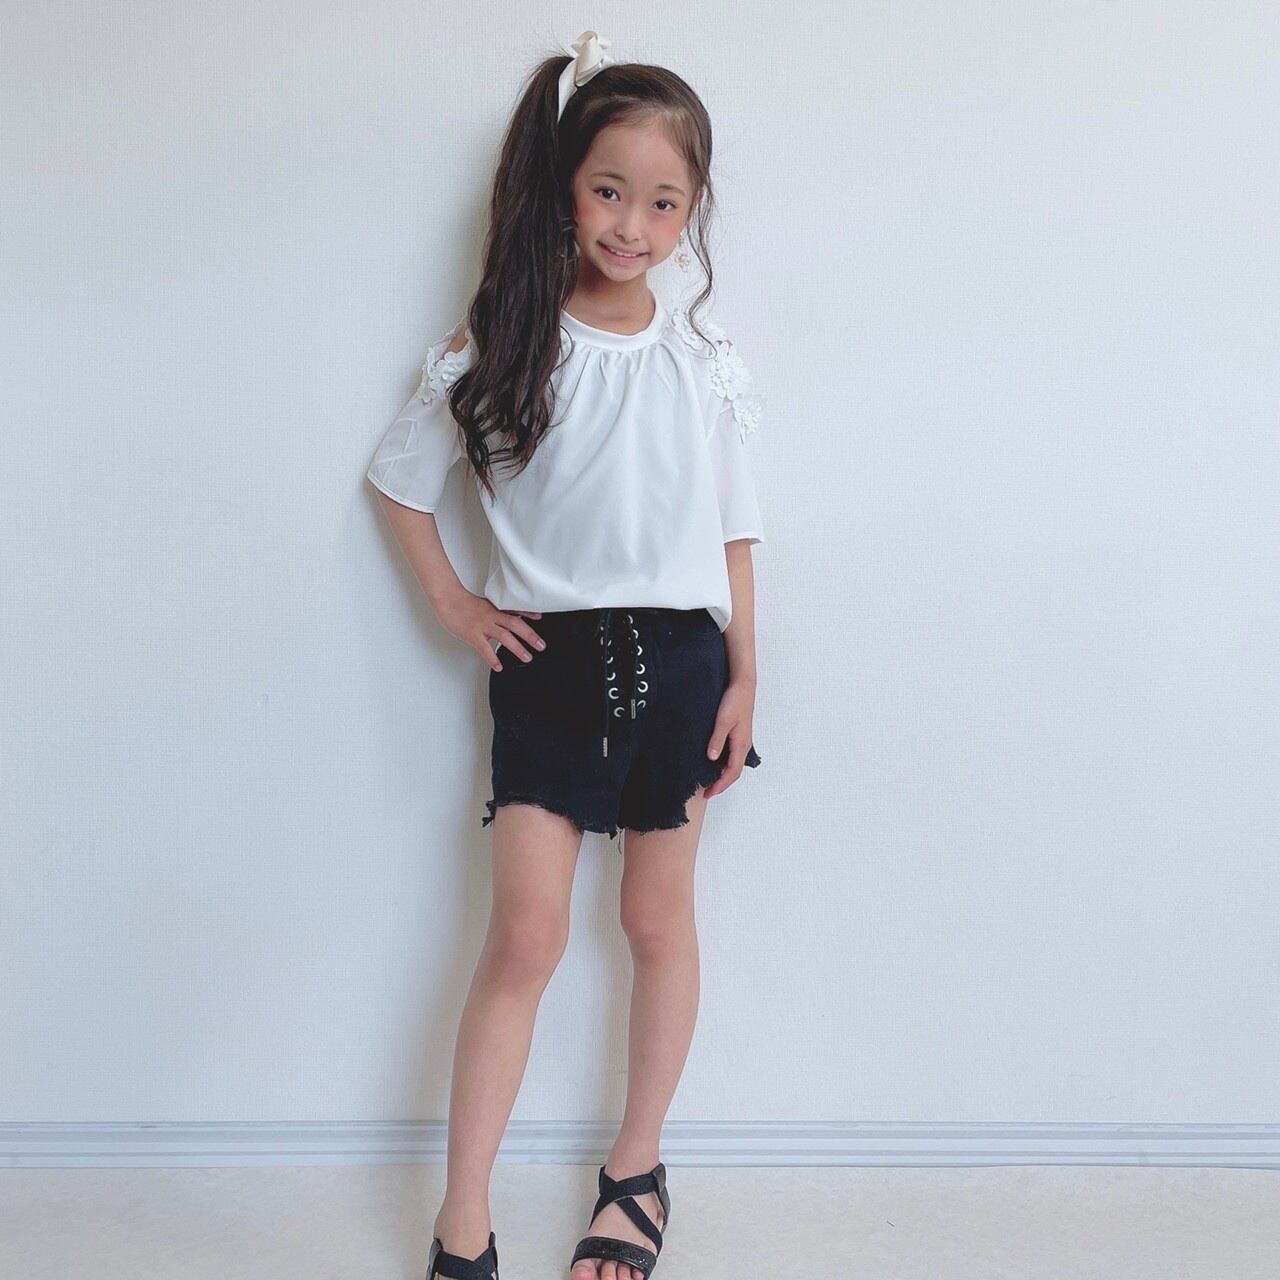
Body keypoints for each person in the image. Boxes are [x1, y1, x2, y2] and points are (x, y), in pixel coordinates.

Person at [367, 31, 767, 1280]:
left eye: (663, 202)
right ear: (564, 185)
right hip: (549, 666)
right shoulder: (504, 339)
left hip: (684, 663)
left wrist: (746, 672)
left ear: (691, 211)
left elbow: (733, 529)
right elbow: (398, 480)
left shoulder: (700, 360)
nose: (631, 225)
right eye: (608, 190)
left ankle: (634, 1170)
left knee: (656, 919)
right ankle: (463, 1212)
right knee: (527, 937)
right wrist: (456, 603)